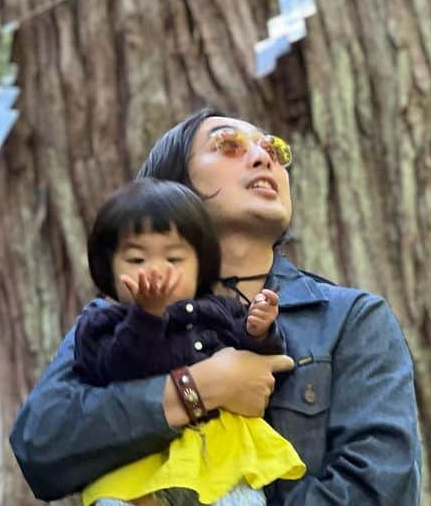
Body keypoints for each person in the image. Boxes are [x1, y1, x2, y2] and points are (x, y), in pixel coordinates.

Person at [10, 108, 422, 504]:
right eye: (228, 144)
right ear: (171, 190)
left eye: (273, 149)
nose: (263, 157)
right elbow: (42, 444)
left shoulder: (350, 319)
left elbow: (380, 490)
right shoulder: (117, 316)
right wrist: (203, 388)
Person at [73, 177, 305, 504]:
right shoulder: (101, 323)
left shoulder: (219, 311)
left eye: (173, 259)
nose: (156, 271)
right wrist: (146, 317)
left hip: (221, 458)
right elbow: (114, 369)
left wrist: (259, 331)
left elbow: (261, 371)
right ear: (107, 269)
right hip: (136, 468)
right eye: (137, 260)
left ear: (201, 266)